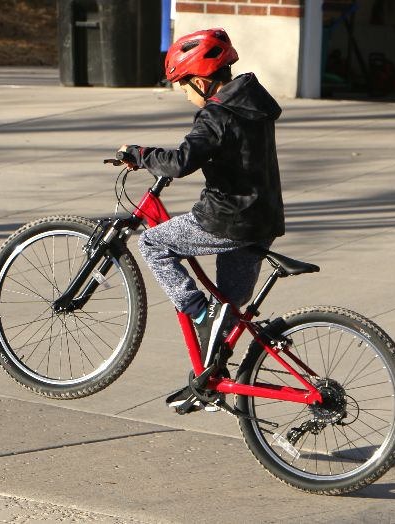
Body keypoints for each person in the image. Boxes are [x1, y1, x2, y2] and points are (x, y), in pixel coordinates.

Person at [117, 28, 285, 411]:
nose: (182, 93)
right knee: (228, 307)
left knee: (152, 243)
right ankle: (210, 385)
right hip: (263, 220)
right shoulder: (253, 103)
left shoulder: (216, 113)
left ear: (202, 78)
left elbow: (180, 163)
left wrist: (140, 154)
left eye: (182, 84)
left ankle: (196, 310)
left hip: (227, 219)